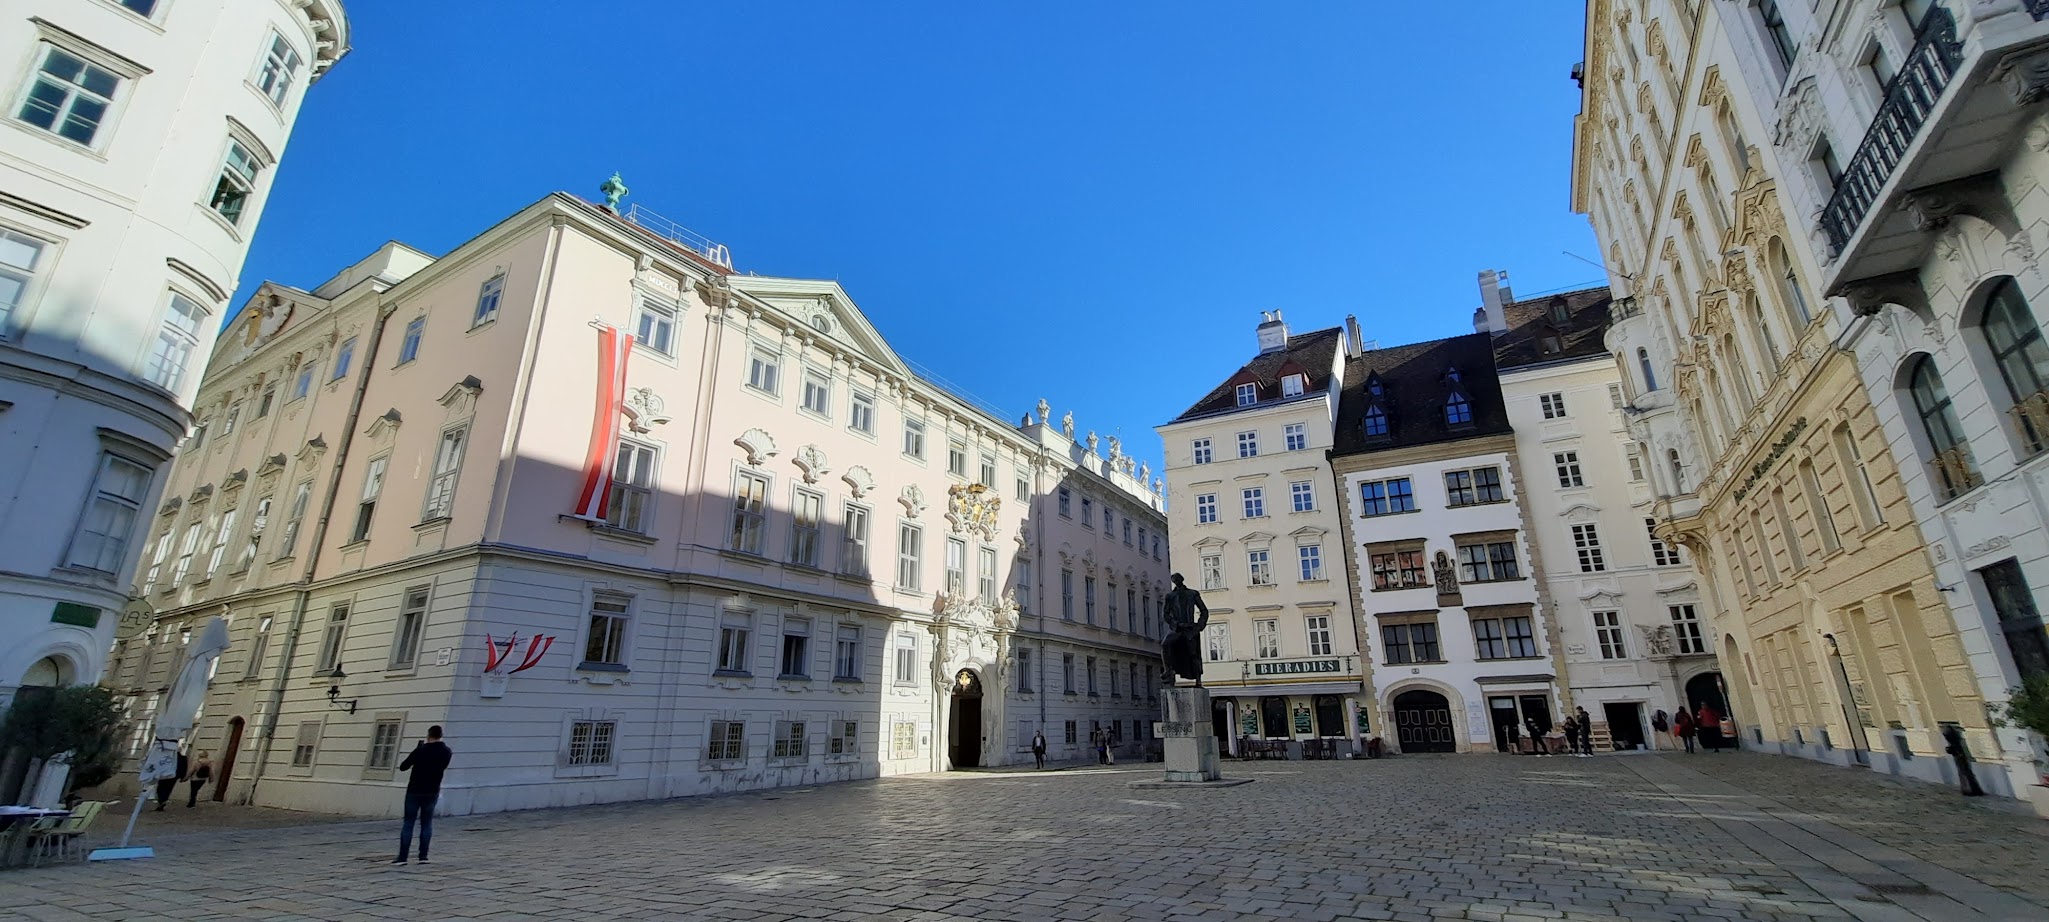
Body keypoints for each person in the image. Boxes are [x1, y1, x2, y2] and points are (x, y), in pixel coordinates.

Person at [394, 726, 453, 865]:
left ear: (428, 735)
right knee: (426, 823)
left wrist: (418, 752)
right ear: (441, 735)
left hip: (415, 790)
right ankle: (423, 856)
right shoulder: (446, 751)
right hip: (432, 790)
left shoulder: (421, 750)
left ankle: (403, 857)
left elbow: (404, 766)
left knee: (408, 823)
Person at [1941, 724, 1985, 797]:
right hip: (1960, 759)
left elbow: (1955, 750)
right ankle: (1969, 788)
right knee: (1964, 773)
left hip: (1961, 759)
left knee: (1965, 773)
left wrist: (1950, 750)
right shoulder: (1956, 740)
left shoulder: (1955, 741)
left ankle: (1970, 789)